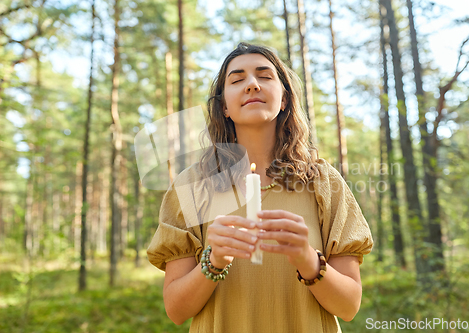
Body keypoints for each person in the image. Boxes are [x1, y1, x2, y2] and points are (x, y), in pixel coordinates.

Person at [147, 42, 373, 333]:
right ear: (224, 107)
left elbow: (349, 307)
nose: (252, 84)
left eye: (264, 76)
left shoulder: (324, 181)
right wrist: (213, 260)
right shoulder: (191, 186)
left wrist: (307, 258)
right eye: (237, 79)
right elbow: (177, 311)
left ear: (284, 100)